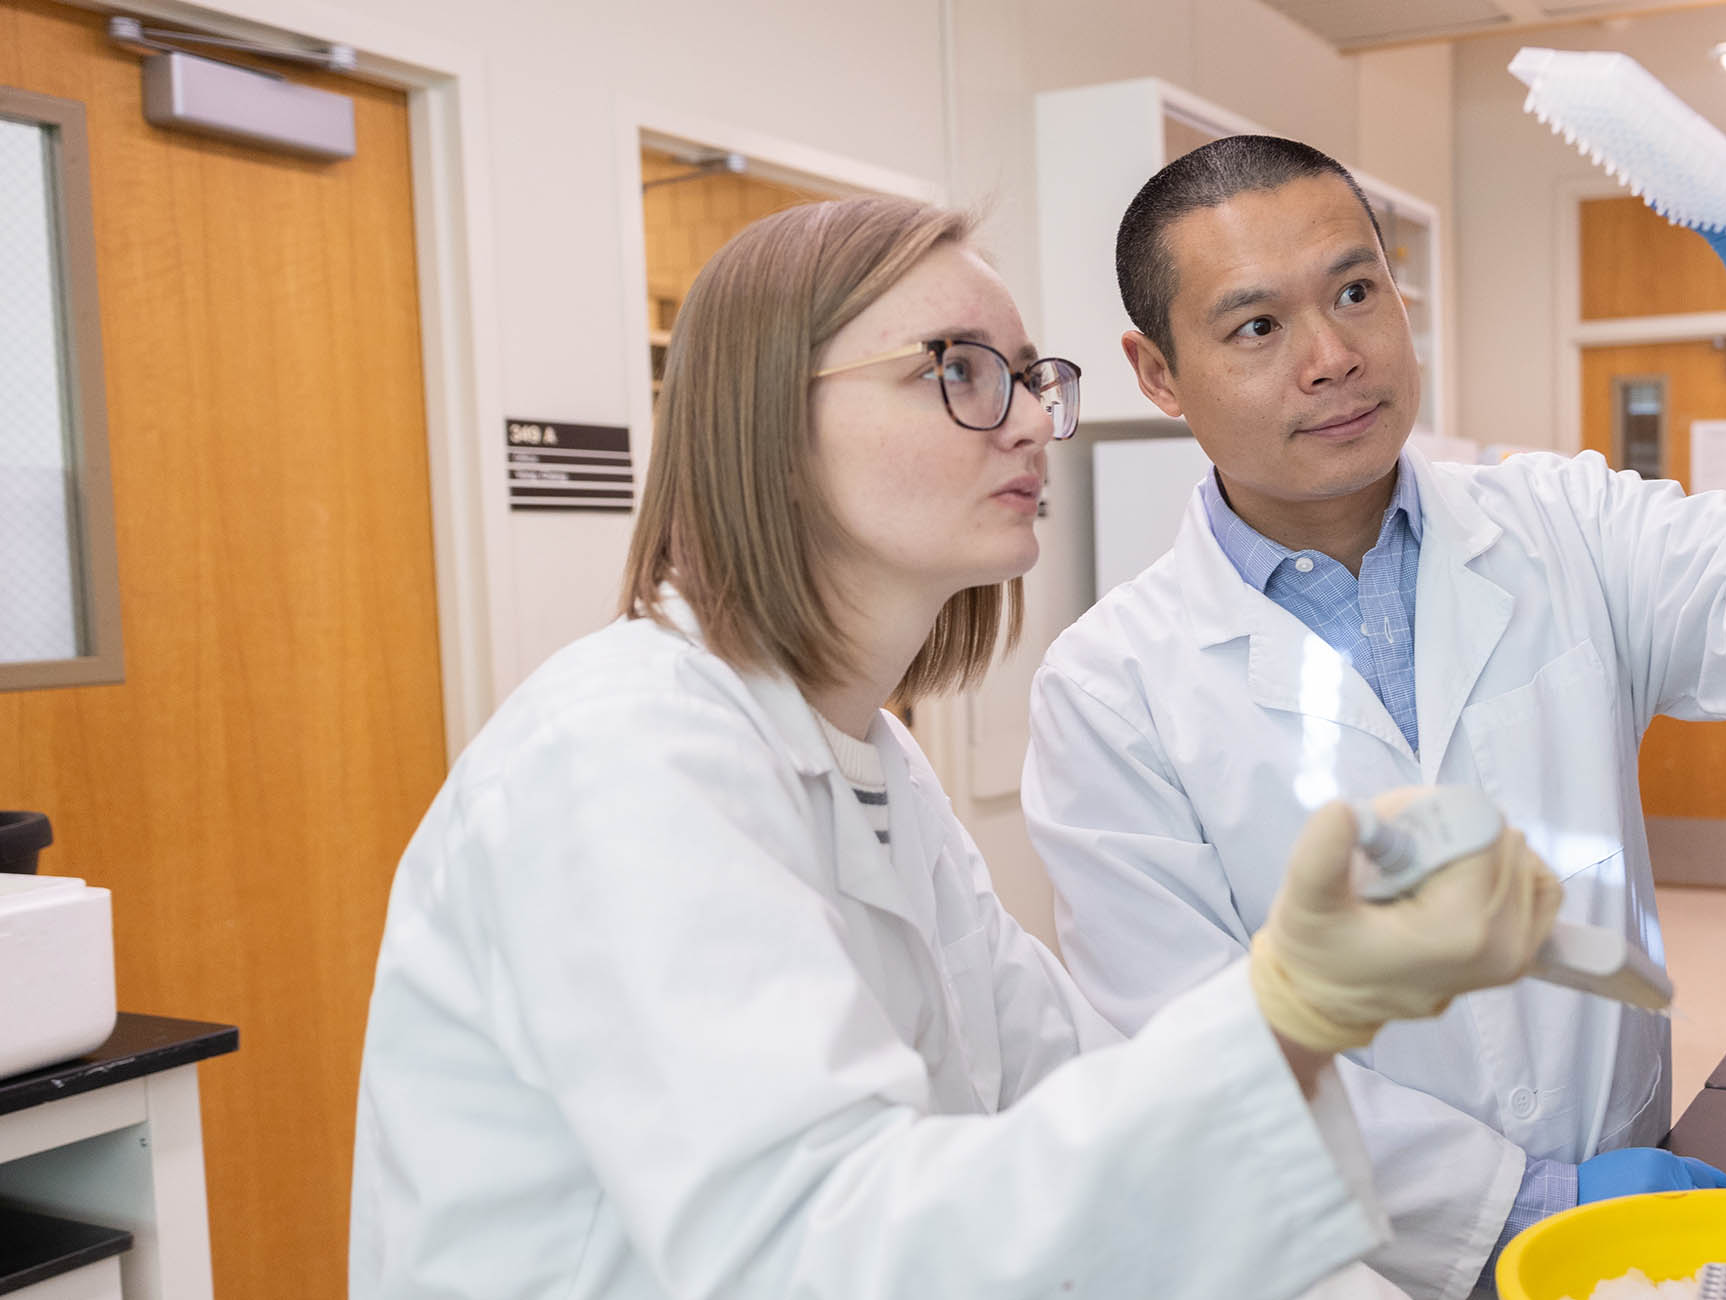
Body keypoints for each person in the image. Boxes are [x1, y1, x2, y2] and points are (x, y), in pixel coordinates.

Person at [346, 195, 1567, 1300]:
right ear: (768, 412)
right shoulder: (619, 754)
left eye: (1032, 375)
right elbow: (820, 1252)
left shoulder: (874, 764)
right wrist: (1285, 1009)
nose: (1036, 419)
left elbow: (1063, 1089)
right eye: (961, 370)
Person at [1022, 136, 1726, 1297]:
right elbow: (1194, 1057)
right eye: (1256, 327)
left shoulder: (1560, 523)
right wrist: (1529, 1202)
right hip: (1333, 1264)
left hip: (1627, 1231)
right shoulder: (1109, 687)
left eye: (1356, 291)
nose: (1332, 357)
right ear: (1157, 373)